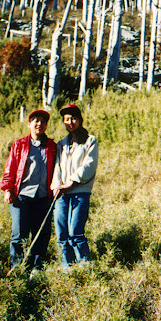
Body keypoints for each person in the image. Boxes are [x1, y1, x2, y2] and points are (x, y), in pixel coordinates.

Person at [0, 109, 57, 270]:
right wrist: (7, 189)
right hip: (22, 196)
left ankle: (37, 268)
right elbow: (10, 168)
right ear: (29, 124)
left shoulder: (52, 146)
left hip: (43, 197)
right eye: (36, 121)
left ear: (46, 125)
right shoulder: (20, 145)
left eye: (43, 121)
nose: (39, 124)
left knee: (41, 234)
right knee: (19, 235)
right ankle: (16, 268)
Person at [51, 104, 99, 269]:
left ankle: (85, 267)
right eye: (66, 119)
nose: (70, 122)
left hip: (79, 192)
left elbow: (89, 165)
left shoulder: (90, 140)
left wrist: (71, 182)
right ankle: (67, 268)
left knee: (76, 232)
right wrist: (57, 185)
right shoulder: (61, 144)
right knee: (62, 233)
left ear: (80, 120)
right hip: (62, 195)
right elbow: (57, 166)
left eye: (73, 118)